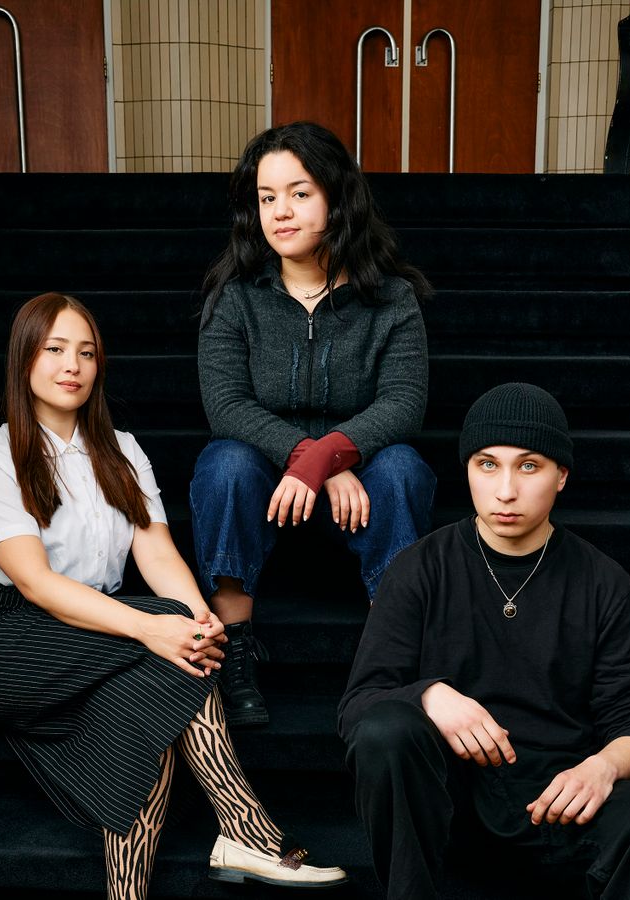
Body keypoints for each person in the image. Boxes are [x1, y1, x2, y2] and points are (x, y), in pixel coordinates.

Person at [0, 292, 348, 898]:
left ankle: (133, 890)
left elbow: (155, 553)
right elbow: (36, 584)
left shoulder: (122, 450)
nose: (72, 366)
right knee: (163, 632)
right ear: (24, 359)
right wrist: (155, 625)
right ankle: (248, 832)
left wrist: (201, 619)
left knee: (153, 700)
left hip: (86, 629)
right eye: (55, 350)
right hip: (0, 635)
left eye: (86, 353)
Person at [338, 383, 630, 899]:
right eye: (487, 465)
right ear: (468, 470)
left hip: (559, 801)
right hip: (449, 805)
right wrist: (428, 695)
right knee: (387, 729)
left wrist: (602, 768)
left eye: (529, 466)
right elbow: (357, 708)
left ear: (561, 476)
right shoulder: (419, 568)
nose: (505, 490)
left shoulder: (603, 581)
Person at [191, 121, 437, 726]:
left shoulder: (391, 299)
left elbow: (404, 404)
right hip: (267, 483)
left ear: (337, 197)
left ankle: (390, 655)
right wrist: (309, 458)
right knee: (224, 462)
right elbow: (227, 407)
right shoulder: (235, 297)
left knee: (403, 467)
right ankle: (234, 647)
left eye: (299, 193)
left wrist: (332, 456)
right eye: (266, 197)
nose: (280, 212)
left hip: (361, 483)